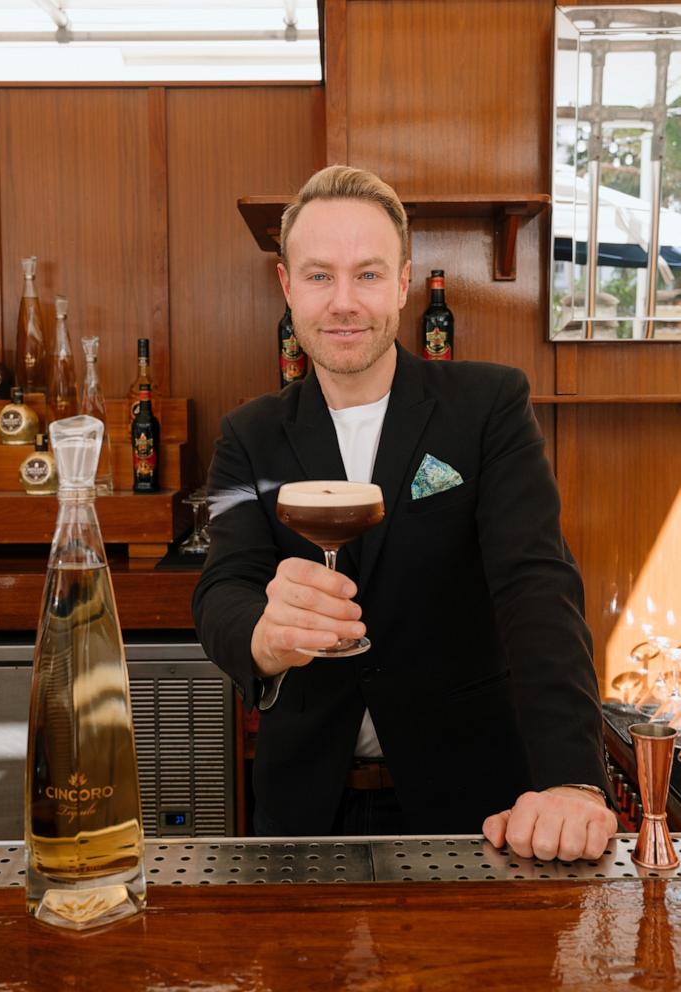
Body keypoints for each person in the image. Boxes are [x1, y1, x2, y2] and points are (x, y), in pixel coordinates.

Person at [193, 165, 617, 859]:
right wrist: (264, 639)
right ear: (287, 286)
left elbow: (534, 586)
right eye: (319, 276)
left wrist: (573, 780)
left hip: (476, 802)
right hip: (306, 807)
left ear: (402, 282)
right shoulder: (249, 434)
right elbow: (223, 588)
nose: (343, 303)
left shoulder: (488, 406)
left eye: (366, 275)